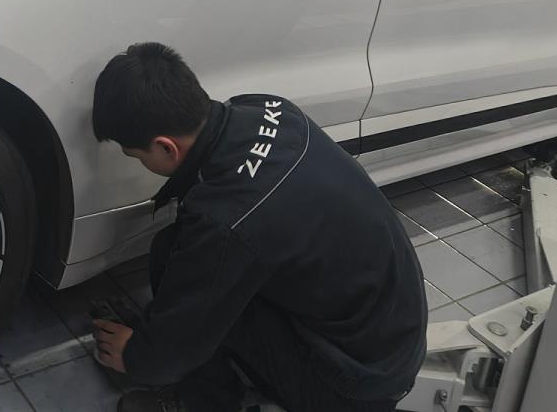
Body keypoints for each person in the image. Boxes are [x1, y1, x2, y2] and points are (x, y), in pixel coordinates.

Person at [90, 43, 426, 412]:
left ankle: (207, 403)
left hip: (354, 386)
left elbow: (179, 341)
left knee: (178, 267)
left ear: (166, 147)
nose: (140, 164)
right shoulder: (266, 108)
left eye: (137, 157)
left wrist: (137, 356)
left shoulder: (224, 218)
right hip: (389, 333)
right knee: (182, 254)